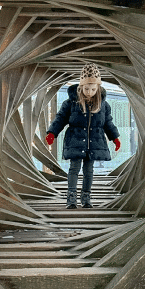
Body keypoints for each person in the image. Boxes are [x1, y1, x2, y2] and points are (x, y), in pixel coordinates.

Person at [45, 64, 121, 209]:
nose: (89, 92)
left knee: (89, 170)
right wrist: (52, 132)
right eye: (86, 89)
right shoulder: (71, 103)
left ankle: (86, 198)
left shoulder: (103, 106)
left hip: (93, 143)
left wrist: (115, 137)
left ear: (98, 88)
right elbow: (61, 118)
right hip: (75, 140)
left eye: (93, 89)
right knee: (74, 168)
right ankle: (71, 199)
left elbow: (108, 123)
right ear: (81, 87)